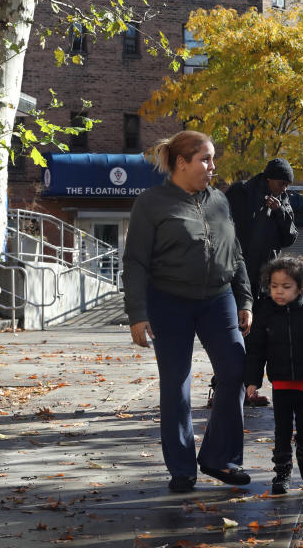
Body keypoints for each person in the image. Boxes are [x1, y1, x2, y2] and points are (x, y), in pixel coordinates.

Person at [122, 130, 254, 494]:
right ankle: (182, 468)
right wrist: (137, 313)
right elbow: (135, 261)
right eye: (205, 159)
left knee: (235, 370)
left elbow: (235, 252)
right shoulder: (152, 203)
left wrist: (245, 300)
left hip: (218, 298)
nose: (213, 167)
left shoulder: (220, 201)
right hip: (169, 301)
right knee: (176, 383)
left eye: (212, 159)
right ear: (182, 163)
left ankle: (219, 459)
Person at [244, 255, 303, 495]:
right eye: (274, 286)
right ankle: (282, 472)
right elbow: (255, 349)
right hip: (281, 381)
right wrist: (252, 380)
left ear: (299, 287)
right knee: (282, 430)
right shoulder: (265, 312)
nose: (279, 292)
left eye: (286, 287)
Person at [223, 157, 299, 408]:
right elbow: (228, 228)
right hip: (239, 272)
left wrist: (280, 212)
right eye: (280, 183)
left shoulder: (283, 201)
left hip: (266, 277)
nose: (283, 189)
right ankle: (222, 390)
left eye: (287, 185)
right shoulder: (242, 192)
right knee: (234, 335)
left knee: (258, 337)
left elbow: (289, 238)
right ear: (268, 178)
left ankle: (250, 391)